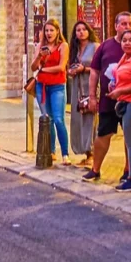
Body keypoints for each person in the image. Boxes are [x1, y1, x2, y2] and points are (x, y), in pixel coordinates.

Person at [84, 12, 131, 183]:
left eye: (130, 24)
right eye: (124, 24)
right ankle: (95, 169)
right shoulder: (105, 46)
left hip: (130, 100)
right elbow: (94, 72)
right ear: (116, 26)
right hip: (108, 99)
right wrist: (92, 96)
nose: (127, 27)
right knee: (103, 133)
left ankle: (129, 170)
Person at [106, 29, 131, 191]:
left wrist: (120, 91)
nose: (127, 43)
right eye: (124, 40)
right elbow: (122, 77)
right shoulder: (125, 57)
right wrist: (114, 85)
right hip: (125, 102)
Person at [31, 18, 71, 165]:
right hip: (42, 86)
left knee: (59, 119)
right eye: (46, 30)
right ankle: (52, 151)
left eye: (51, 30)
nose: (49, 33)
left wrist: (44, 69)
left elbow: (61, 67)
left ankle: (65, 153)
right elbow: (33, 67)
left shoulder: (63, 46)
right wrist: (40, 57)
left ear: (57, 31)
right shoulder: (40, 46)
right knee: (47, 119)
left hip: (57, 86)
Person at [67, 20, 98, 167]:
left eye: (84, 29)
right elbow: (70, 66)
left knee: (89, 121)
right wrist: (71, 71)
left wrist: (84, 69)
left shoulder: (95, 47)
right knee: (78, 120)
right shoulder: (75, 49)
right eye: (78, 30)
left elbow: (99, 68)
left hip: (90, 88)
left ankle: (92, 153)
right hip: (76, 88)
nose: (81, 32)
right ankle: (85, 153)